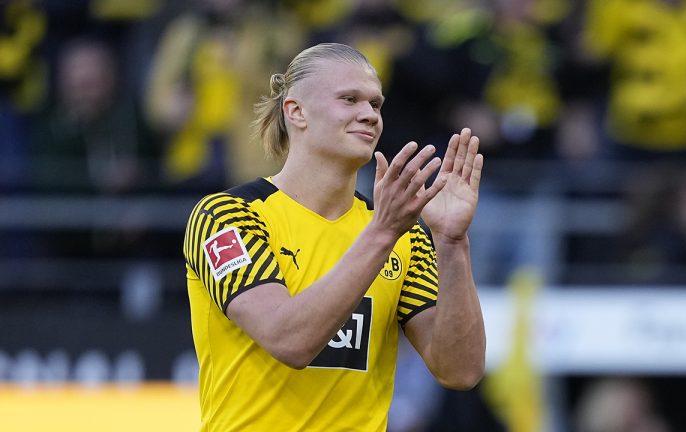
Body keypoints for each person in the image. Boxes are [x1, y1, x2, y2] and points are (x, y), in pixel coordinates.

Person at [183, 42, 486, 431]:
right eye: (349, 99)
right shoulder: (228, 216)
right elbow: (289, 340)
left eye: (376, 105)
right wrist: (382, 233)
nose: (369, 116)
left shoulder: (402, 233)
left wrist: (452, 242)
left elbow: (460, 370)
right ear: (296, 111)